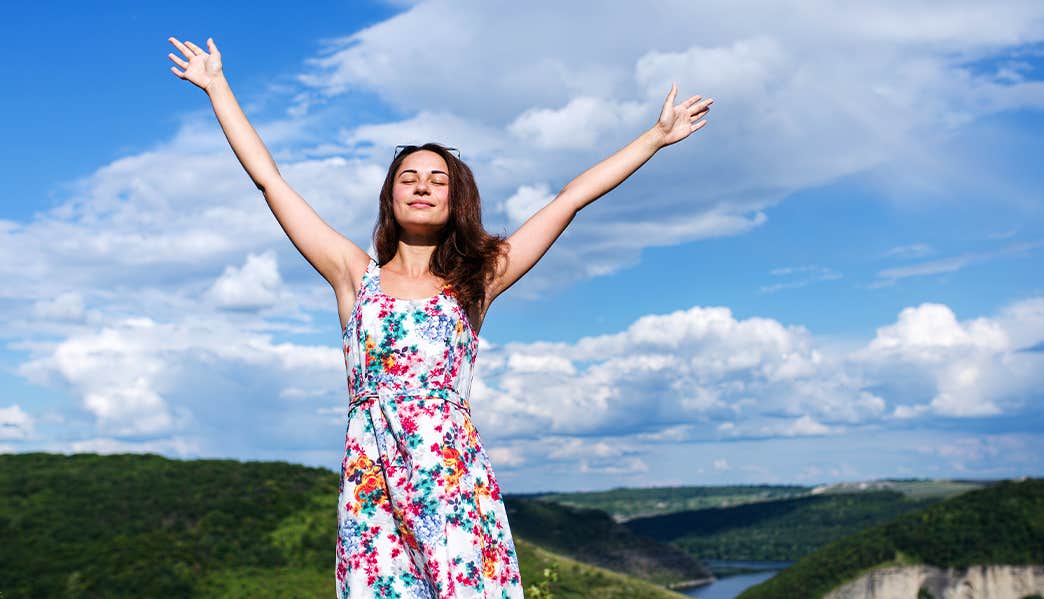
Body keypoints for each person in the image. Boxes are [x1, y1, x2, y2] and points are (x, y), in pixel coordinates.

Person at [168, 36, 711, 598]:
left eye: (438, 179)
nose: (422, 185)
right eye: (408, 177)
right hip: (372, 488)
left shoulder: (475, 282)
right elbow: (271, 181)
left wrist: (655, 138)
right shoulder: (355, 277)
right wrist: (218, 87)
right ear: (390, 198)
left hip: (452, 487)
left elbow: (567, 200)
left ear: (458, 201)